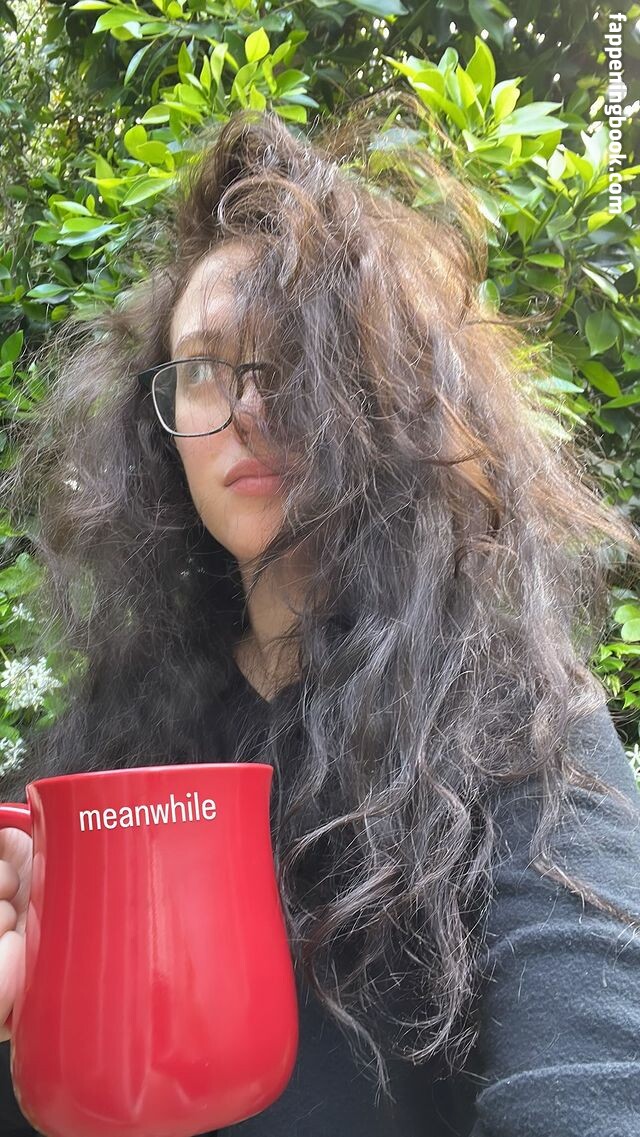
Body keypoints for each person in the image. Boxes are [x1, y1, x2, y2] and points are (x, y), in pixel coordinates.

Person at [1, 103, 639, 1136]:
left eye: (292, 360)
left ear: (388, 401)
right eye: (201, 368)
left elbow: (592, 1081)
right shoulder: (112, 737)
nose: (245, 409)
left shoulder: (517, 726)